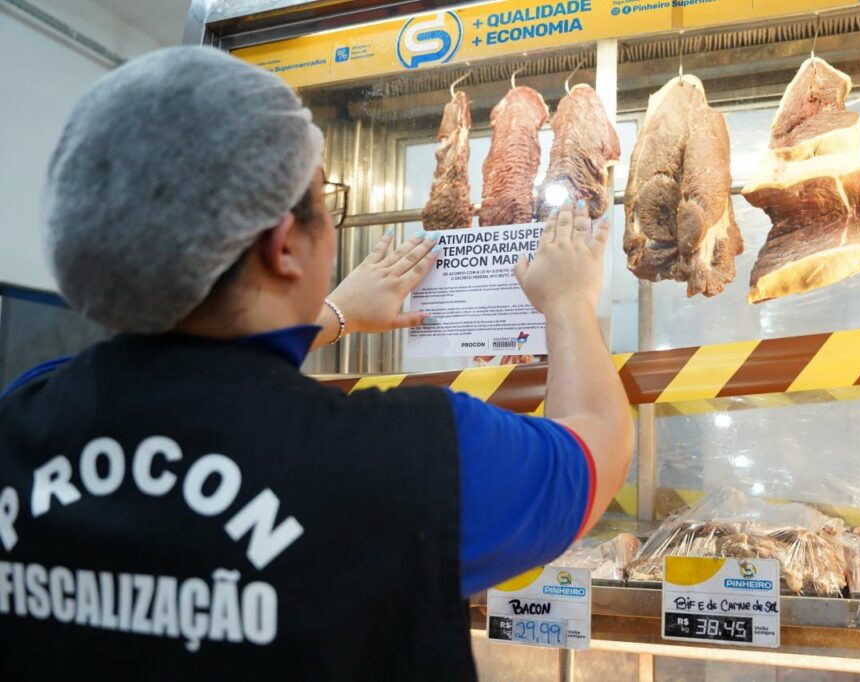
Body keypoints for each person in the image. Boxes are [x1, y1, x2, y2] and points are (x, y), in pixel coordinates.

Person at [0, 47, 633, 679]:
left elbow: (198, 379)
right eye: (326, 199)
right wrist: (569, 302)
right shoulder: (409, 456)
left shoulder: (22, 415)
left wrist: (330, 315)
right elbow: (595, 444)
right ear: (283, 245)